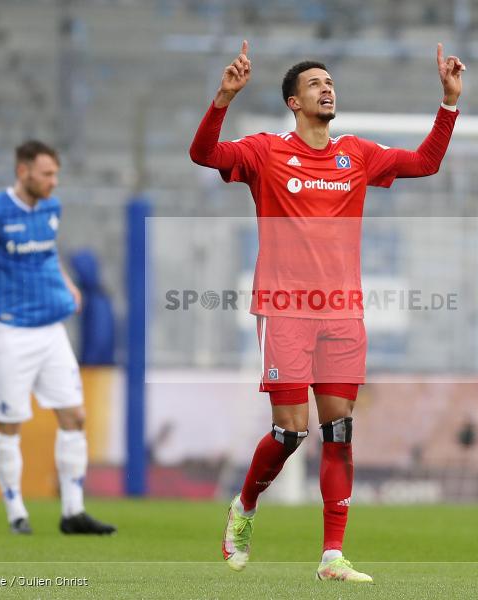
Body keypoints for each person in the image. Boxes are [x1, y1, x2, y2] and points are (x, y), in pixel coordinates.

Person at [190, 41, 464, 582]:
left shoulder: (356, 154)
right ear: (294, 101)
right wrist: (223, 98)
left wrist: (449, 103)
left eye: (330, 81)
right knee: (291, 433)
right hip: (286, 310)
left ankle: (332, 557)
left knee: (339, 431)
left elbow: (427, 163)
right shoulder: (265, 151)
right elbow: (203, 154)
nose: (327, 87)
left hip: (342, 313)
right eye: (315, 83)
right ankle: (243, 508)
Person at [0, 140, 116, 536]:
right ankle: (16, 512)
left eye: (56, 174)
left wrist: (66, 283)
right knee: (10, 423)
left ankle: (73, 511)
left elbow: (46, 252)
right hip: (10, 332)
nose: (54, 182)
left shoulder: (52, 207)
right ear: (23, 172)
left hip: (51, 330)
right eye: (47, 174)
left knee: (74, 417)